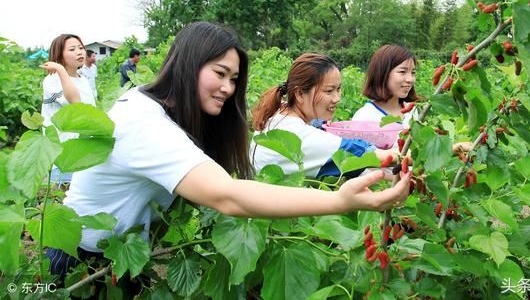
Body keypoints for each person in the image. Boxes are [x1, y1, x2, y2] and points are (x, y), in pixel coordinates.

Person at [50, 23, 409, 281]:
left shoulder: (160, 105)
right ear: (188, 65)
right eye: (220, 73)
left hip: (118, 255)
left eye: (234, 79)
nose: (227, 87)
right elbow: (226, 195)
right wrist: (340, 202)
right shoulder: (145, 123)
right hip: (81, 261)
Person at [251, 53, 404, 177]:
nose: (337, 98)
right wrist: (412, 157)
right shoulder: (302, 136)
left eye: (338, 89)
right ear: (299, 93)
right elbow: (370, 155)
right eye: (328, 91)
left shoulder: (279, 114)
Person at [41, 34, 96, 183]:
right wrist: (60, 69)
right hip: (62, 155)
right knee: (62, 198)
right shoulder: (52, 80)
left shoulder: (82, 79)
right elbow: (76, 103)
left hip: (82, 151)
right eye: (72, 49)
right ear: (59, 55)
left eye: (81, 48)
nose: (79, 52)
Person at [352, 45, 418, 127]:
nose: (410, 79)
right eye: (402, 72)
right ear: (383, 74)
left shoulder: (411, 110)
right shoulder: (365, 117)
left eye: (413, 73)